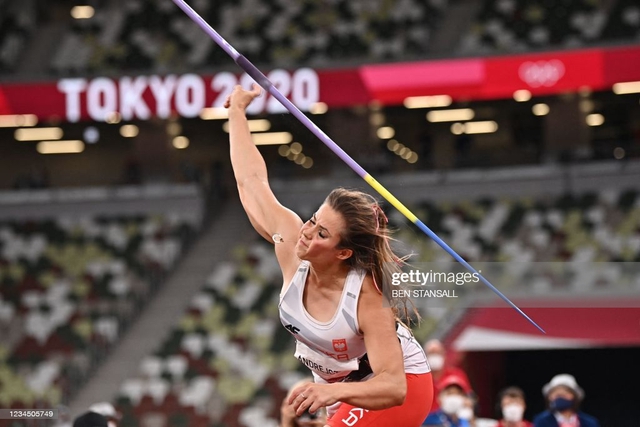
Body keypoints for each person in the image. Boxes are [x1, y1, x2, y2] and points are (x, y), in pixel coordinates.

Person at [225, 84, 433, 426]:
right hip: (344, 392)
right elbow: (251, 182)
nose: (307, 232)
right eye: (312, 221)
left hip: (401, 388)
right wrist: (235, 112)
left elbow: (393, 387)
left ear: (343, 252)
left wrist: (330, 393)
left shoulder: (366, 297)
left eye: (322, 233)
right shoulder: (293, 248)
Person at [533, 374, 600, 427]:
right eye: (556, 394)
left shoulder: (589, 422)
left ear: (575, 397)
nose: (560, 398)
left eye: (565, 394)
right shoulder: (541, 421)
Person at [424, 339, 471, 412]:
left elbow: (469, 397)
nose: (435, 356)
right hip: (428, 418)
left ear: (444, 354)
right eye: (431, 353)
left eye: (438, 353)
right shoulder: (422, 378)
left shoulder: (457, 374)